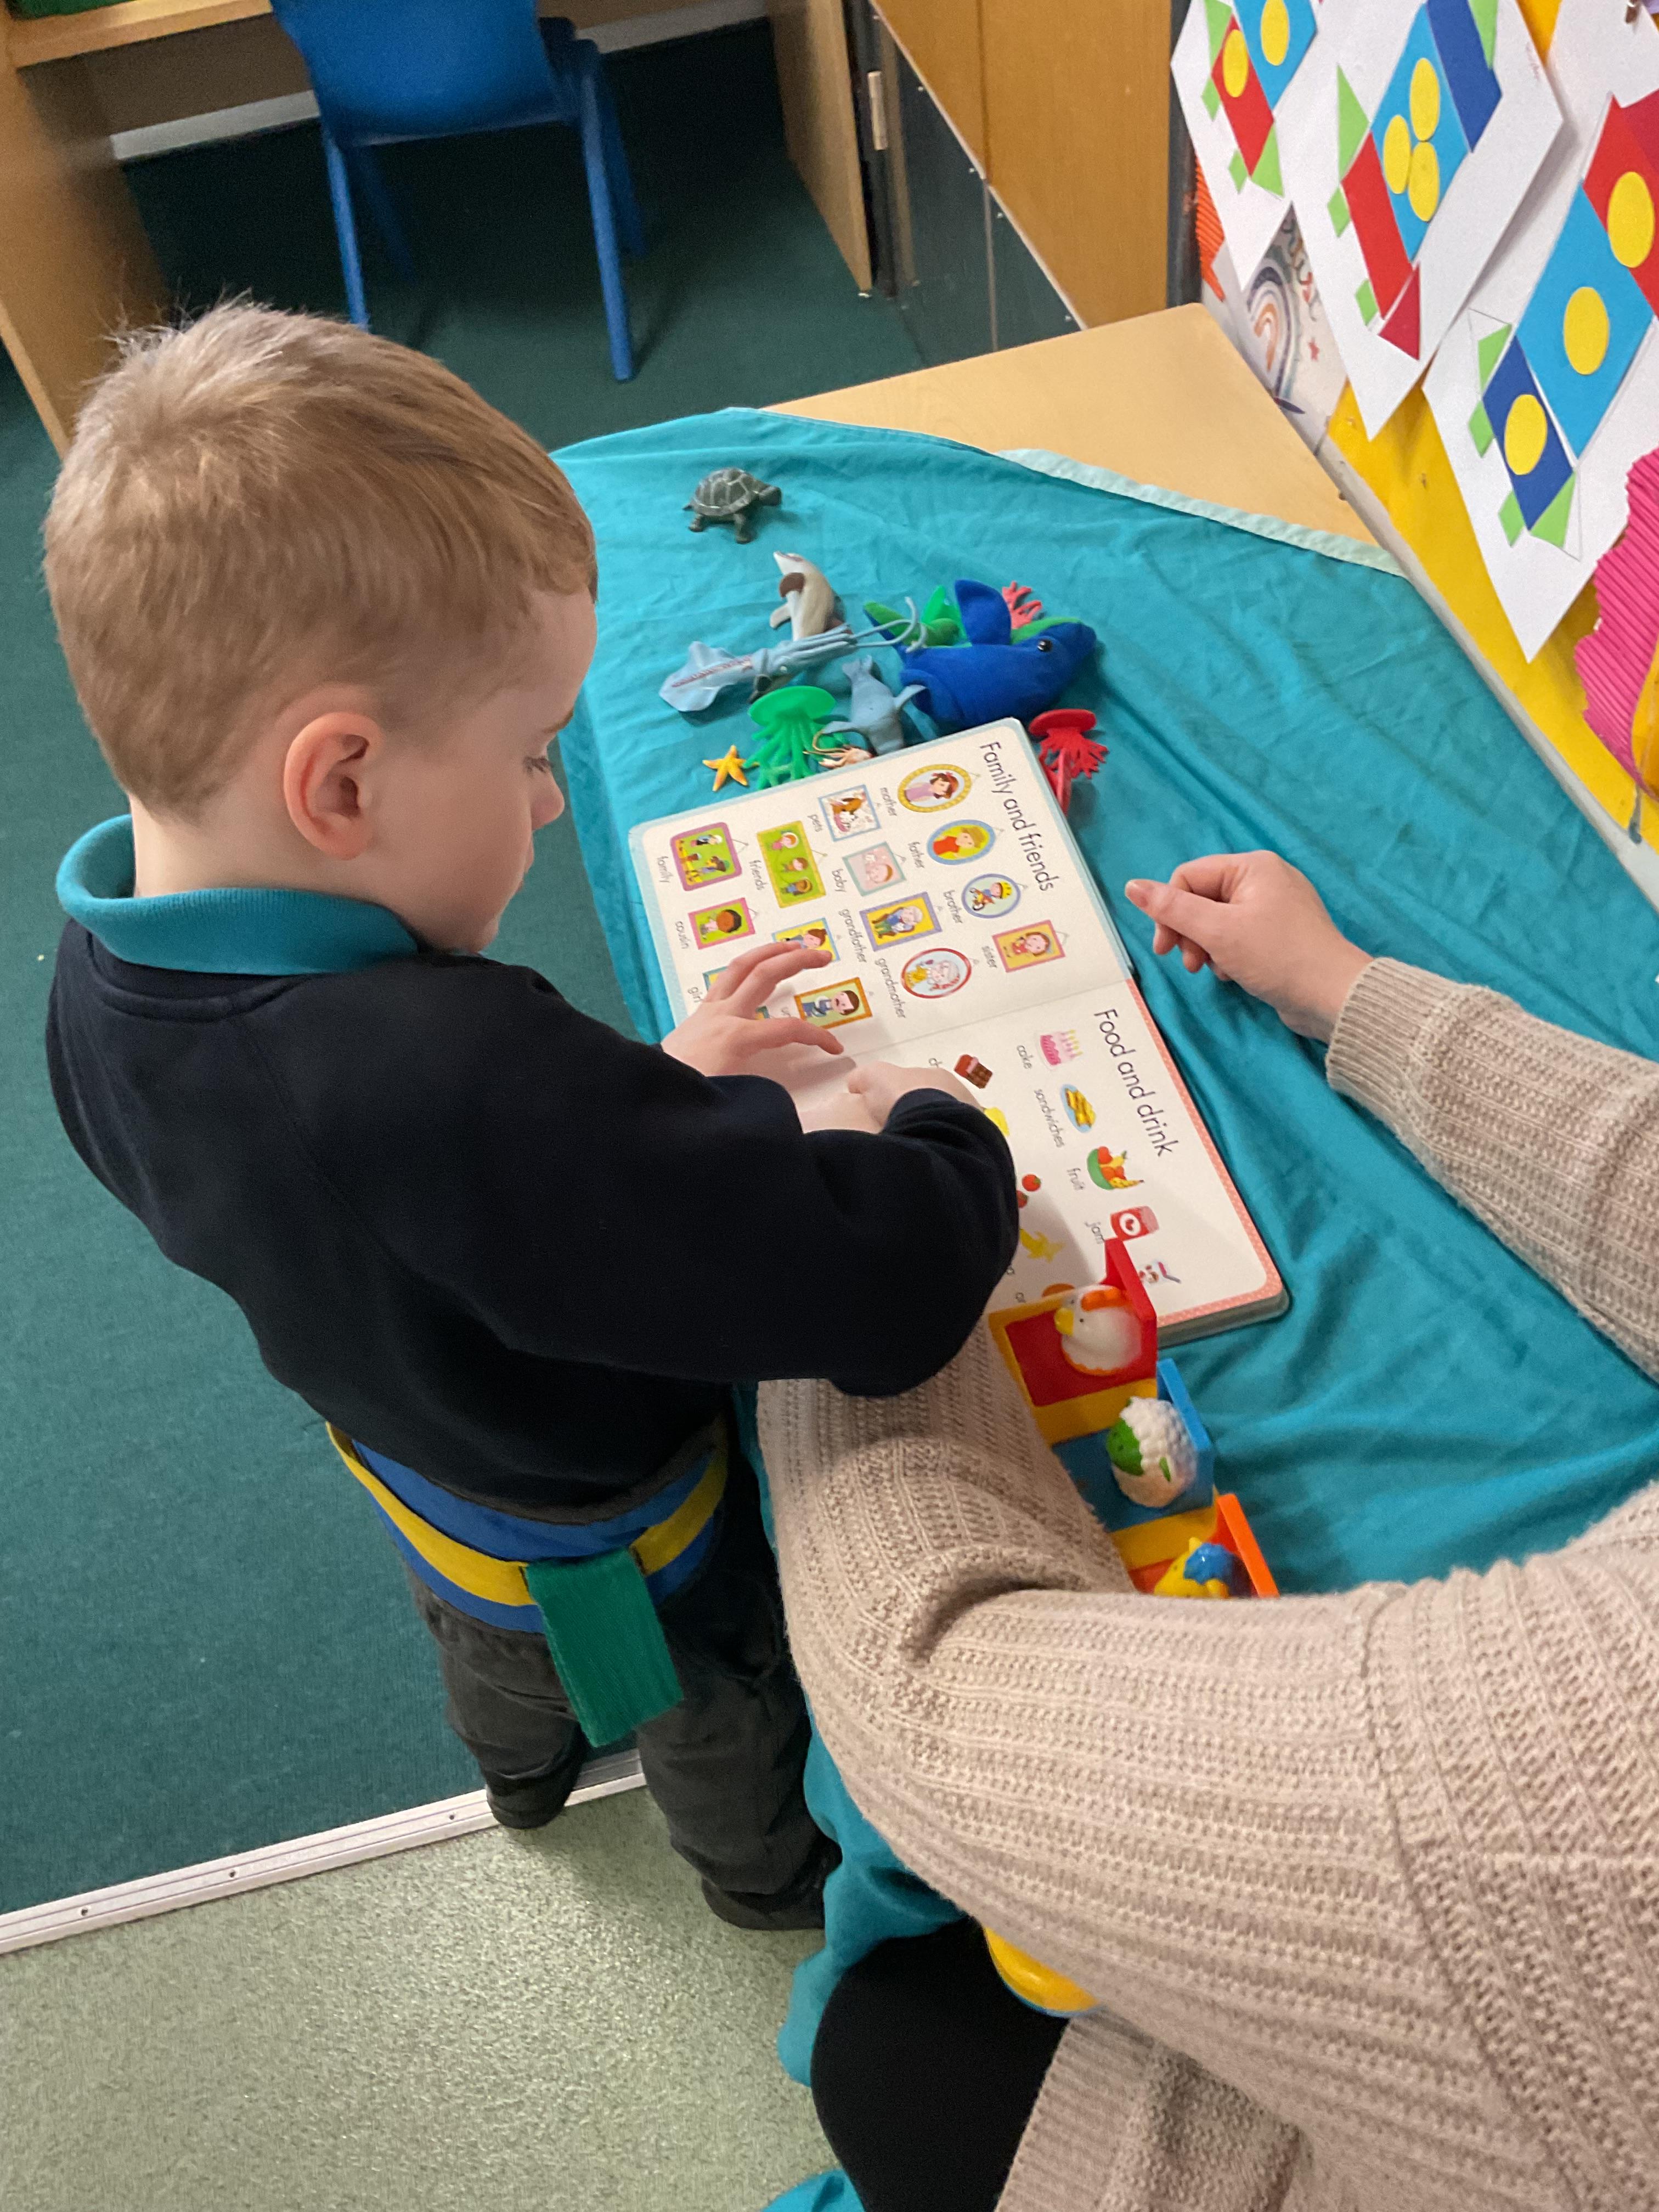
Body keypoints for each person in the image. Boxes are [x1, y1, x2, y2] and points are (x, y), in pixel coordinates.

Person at [43, 306, 1015, 1933]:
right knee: (712, 1718)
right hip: (628, 1533)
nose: (557, 798)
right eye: (535, 752)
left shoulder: (96, 970)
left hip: (420, 1469)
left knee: (496, 1672)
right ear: (340, 786)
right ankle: (763, 1885)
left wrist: (650, 1097)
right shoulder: (455, 1076)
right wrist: (932, 1129)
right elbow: (881, 1288)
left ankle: (521, 1782)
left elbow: (416, 1196)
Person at [761, 850, 1659, 2205]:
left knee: (899, 2052)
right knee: (908, 2049)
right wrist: (1342, 988)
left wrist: (854, 1252)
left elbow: (931, 1699)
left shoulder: (1570, 1804)